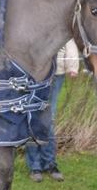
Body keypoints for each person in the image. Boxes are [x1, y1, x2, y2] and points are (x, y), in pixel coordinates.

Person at [27, 38, 79, 181]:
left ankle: (49, 164)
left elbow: (69, 42)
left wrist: (72, 66)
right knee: (34, 118)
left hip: (56, 74)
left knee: (47, 120)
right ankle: (36, 166)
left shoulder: (58, 20)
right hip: (33, 74)